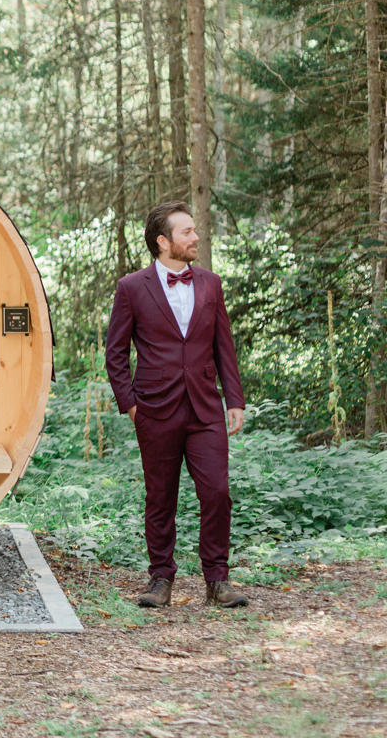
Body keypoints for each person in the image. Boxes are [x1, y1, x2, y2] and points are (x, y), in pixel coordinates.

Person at [104, 201, 249, 608]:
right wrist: (131, 405)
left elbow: (224, 346)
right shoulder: (132, 287)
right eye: (187, 231)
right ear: (163, 241)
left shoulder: (211, 283)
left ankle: (217, 581)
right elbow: (115, 353)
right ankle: (160, 580)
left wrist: (233, 399)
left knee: (217, 493)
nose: (195, 237)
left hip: (205, 409)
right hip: (155, 409)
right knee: (161, 497)